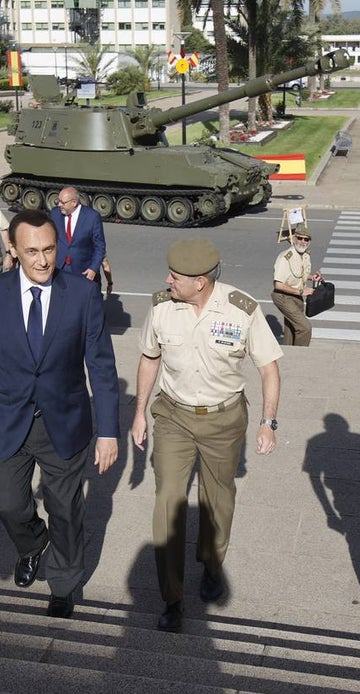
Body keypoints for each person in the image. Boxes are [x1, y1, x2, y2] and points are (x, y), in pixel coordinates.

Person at [0, 209, 120, 619]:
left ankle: (63, 584)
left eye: (49, 249)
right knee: (7, 505)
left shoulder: (82, 294)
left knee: (65, 510)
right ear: (12, 249)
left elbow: (101, 367)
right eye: (32, 251)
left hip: (64, 422)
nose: (43, 260)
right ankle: (33, 544)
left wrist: (108, 432)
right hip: (7, 420)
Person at [131, 240, 282, 633]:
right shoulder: (161, 307)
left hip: (223, 420)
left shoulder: (242, 309)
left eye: (175, 277)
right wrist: (139, 413)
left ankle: (212, 564)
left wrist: (268, 423)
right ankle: (172, 598)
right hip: (173, 418)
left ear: (200, 282)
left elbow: (268, 368)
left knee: (219, 500)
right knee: (168, 502)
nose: (168, 280)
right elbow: (149, 358)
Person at [271, 223, 323, 347]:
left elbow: (299, 274)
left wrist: (312, 277)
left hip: (296, 297)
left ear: (309, 242)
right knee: (304, 328)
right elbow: (278, 285)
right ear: (294, 239)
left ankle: (289, 351)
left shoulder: (305, 255)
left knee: (291, 328)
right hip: (283, 296)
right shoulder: (285, 257)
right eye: (300, 238)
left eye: (306, 239)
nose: (302, 242)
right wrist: (301, 291)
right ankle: (300, 354)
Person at [50, 186, 106, 287]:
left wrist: (93, 268)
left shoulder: (92, 217)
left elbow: (99, 246)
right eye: (58, 201)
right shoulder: (55, 214)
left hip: (83, 270)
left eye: (63, 202)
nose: (59, 205)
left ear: (74, 203)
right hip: (59, 268)